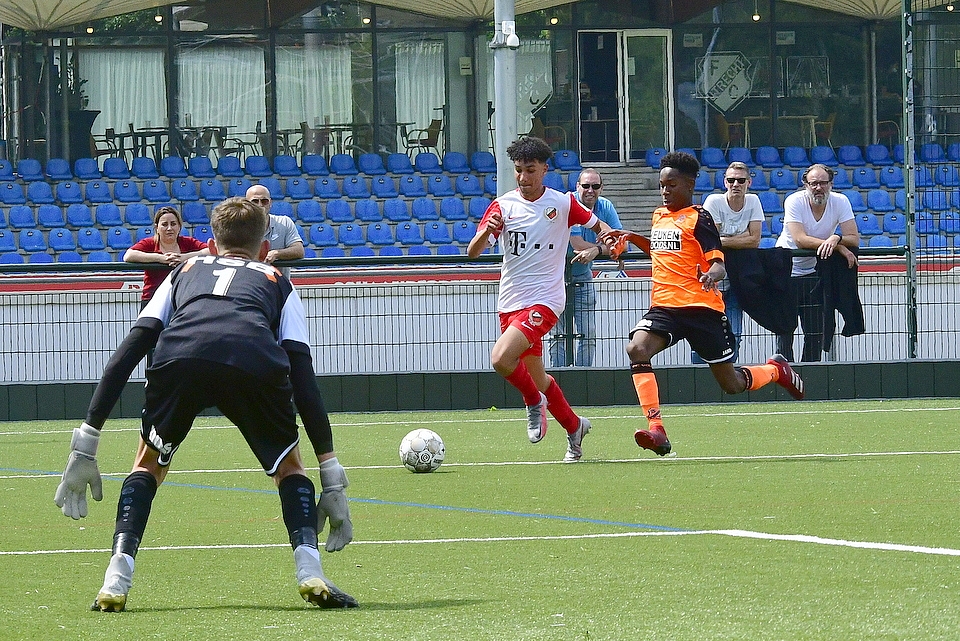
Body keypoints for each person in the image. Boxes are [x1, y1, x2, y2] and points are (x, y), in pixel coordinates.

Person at [54, 197, 357, 611]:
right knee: (290, 468)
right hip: (252, 360)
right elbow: (302, 375)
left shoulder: (183, 271)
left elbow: (130, 350)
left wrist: (86, 443)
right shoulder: (278, 280)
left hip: (181, 357)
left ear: (212, 243)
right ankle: (310, 571)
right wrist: (331, 475)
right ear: (264, 246)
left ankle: (116, 579)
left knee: (147, 465)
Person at [604, 151, 805, 457]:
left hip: (701, 309)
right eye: (662, 185)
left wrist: (712, 274)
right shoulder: (659, 216)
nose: (665, 191)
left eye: (671, 185)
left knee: (731, 384)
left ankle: (776, 370)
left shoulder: (700, 218)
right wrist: (631, 237)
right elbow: (658, 251)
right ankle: (657, 429)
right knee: (637, 349)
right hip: (665, 307)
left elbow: (719, 263)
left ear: (689, 184)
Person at [466, 137, 614, 463]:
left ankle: (533, 402)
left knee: (500, 358)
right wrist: (485, 231)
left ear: (544, 170)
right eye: (518, 170)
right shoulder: (502, 206)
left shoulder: (562, 203)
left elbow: (598, 225)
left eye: (530, 170)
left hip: (546, 300)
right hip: (510, 301)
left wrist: (607, 237)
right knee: (538, 377)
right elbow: (473, 252)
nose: (523, 177)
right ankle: (575, 427)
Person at [774, 163, 860, 362]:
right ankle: (785, 374)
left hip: (814, 274)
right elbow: (800, 239)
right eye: (813, 183)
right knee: (785, 333)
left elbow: (854, 238)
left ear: (831, 184)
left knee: (815, 333)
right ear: (805, 185)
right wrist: (838, 246)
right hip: (786, 273)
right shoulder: (794, 201)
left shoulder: (841, 201)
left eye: (823, 183)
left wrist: (836, 238)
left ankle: (810, 375)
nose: (818, 187)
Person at [549, 168, 622, 367]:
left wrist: (597, 251)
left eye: (595, 186)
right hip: (555, 278)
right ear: (577, 187)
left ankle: (584, 376)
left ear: (601, 188)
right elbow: (577, 244)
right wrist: (607, 250)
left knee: (588, 333)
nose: (590, 190)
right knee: (557, 335)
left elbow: (621, 243)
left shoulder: (605, 206)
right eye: (586, 186)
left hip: (583, 276)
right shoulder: (569, 204)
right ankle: (559, 377)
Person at [692, 161, 764, 363]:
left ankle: (730, 376)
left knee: (735, 335)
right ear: (725, 182)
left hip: (737, 278)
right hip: (711, 278)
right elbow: (712, 241)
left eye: (740, 180)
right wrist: (742, 238)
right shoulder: (714, 201)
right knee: (703, 334)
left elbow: (755, 240)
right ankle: (699, 375)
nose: (735, 184)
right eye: (731, 180)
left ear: (749, 182)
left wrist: (724, 240)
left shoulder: (753, 201)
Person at [123, 206, 209, 308]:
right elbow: (128, 255)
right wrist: (161, 258)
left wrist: (183, 257)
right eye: (164, 224)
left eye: (173, 224)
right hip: (152, 299)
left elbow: (211, 250)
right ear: (157, 228)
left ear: (179, 226)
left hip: (181, 299)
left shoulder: (187, 242)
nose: (169, 228)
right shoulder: (149, 243)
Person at [244, 185, 305, 279]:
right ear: (246, 204)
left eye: (264, 201)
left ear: (270, 203)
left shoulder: (285, 222)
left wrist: (276, 253)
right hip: (249, 284)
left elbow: (299, 251)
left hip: (279, 285)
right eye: (255, 201)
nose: (260, 205)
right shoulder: (238, 226)